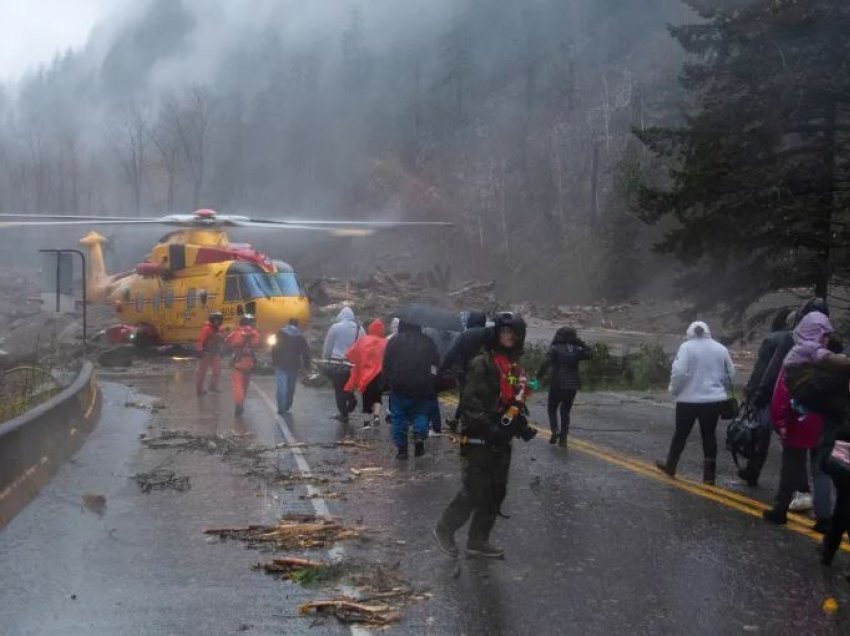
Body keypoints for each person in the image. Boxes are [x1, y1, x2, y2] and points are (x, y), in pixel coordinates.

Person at [434, 312, 536, 559]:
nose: (507, 337)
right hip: (479, 439)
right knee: (474, 491)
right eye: (503, 332)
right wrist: (490, 429)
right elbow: (471, 403)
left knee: (496, 491)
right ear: (496, 334)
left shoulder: (512, 366)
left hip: (501, 440)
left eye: (512, 334)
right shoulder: (482, 362)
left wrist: (518, 425)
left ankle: (478, 540)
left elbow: (511, 400)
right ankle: (445, 529)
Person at [656, 321, 735, 485]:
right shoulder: (720, 349)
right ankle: (709, 475)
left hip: (687, 400)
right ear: (708, 332)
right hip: (713, 400)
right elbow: (730, 373)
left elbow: (679, 372)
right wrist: (721, 389)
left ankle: (671, 465)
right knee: (709, 435)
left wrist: (675, 390)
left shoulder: (686, 347)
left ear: (690, 332)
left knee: (681, 434)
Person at [761, 365, 824, 524]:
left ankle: (780, 510)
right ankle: (824, 518)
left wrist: (780, 423)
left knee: (790, 470)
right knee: (821, 471)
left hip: (796, 424)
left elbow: (781, 397)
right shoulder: (830, 360)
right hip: (822, 423)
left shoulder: (793, 364)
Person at [738, 308, 793, 487]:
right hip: (796, 394)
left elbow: (762, 369)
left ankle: (753, 470)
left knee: (761, 433)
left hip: (770, 392)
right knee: (793, 439)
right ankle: (797, 484)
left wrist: (751, 391)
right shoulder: (808, 340)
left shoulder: (773, 339)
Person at [382, 320, 440, 459]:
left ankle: (402, 450)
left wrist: (387, 382)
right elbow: (436, 362)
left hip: (399, 386)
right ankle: (419, 435)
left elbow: (386, 363)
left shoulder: (394, 341)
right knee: (421, 413)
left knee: (399, 417)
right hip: (422, 386)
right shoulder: (428, 341)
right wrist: (432, 380)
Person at [536, 327, 592, 448]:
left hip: (557, 383)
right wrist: (580, 342)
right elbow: (590, 353)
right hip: (572, 385)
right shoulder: (577, 349)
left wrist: (538, 377)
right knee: (565, 411)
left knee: (552, 408)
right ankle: (563, 439)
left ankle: (555, 430)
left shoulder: (555, 348)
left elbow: (545, 363)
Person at [441, 311, 489, 432]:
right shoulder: (490, 334)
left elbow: (452, 352)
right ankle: (483, 422)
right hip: (486, 371)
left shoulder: (465, 335)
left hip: (466, 371)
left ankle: (462, 422)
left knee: (465, 397)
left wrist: (443, 367)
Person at [322, 307, 365, 421]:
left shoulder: (335, 328)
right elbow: (364, 346)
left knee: (339, 389)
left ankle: (343, 413)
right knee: (349, 386)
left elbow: (328, 346)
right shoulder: (359, 329)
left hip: (337, 363)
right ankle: (351, 401)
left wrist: (325, 359)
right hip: (353, 365)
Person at [344, 319, 387, 429]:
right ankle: (376, 416)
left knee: (366, 397)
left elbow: (351, 353)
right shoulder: (384, 342)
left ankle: (367, 423)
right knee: (377, 396)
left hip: (365, 374)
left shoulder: (363, 340)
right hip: (379, 373)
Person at [271, 318, 311, 415]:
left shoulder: (280, 333)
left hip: (281, 363)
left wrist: (274, 360)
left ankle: (281, 407)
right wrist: (307, 365)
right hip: (294, 365)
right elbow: (306, 352)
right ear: (297, 325)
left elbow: (274, 347)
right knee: (290, 387)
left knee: (281, 386)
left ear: (288, 324)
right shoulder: (300, 337)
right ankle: (287, 405)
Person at [225, 314, 261, 417]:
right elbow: (257, 344)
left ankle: (239, 404)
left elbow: (227, 342)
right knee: (245, 385)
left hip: (238, 361)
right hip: (249, 363)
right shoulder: (255, 334)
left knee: (237, 385)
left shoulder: (236, 333)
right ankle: (241, 401)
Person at [195, 311, 224, 396]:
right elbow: (201, 340)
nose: (217, 321)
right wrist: (199, 350)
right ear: (212, 320)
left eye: (219, 320)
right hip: (206, 353)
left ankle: (213, 386)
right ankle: (199, 390)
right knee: (202, 372)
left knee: (217, 371)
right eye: (216, 320)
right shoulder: (207, 328)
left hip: (214, 353)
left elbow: (221, 340)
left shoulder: (218, 329)